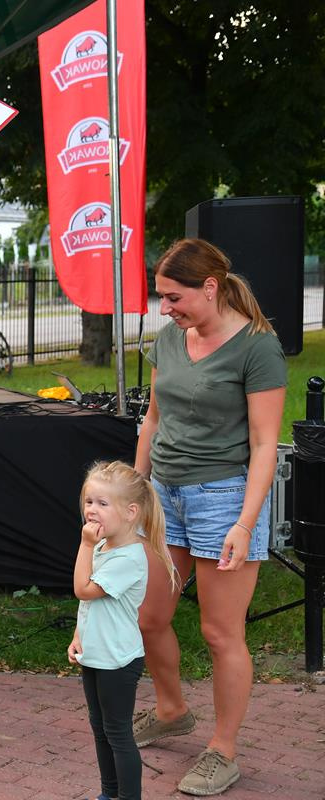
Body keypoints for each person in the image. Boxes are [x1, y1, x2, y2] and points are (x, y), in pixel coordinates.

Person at [132, 238, 287, 796]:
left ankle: (223, 750)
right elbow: (153, 420)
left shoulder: (258, 347)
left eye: (174, 297)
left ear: (210, 287)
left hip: (223, 498)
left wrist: (245, 524)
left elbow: (266, 445)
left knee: (221, 633)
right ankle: (172, 709)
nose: (165, 308)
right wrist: (135, 491)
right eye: (161, 297)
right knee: (148, 616)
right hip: (164, 496)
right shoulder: (171, 337)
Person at [68, 461, 177, 800]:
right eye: (89, 501)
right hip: (96, 654)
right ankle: (109, 793)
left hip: (117, 660)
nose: (92, 510)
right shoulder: (104, 546)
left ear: (131, 512)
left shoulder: (127, 558)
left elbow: (83, 590)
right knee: (100, 728)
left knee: (117, 733)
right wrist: (78, 635)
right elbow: (91, 608)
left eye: (103, 503)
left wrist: (85, 546)